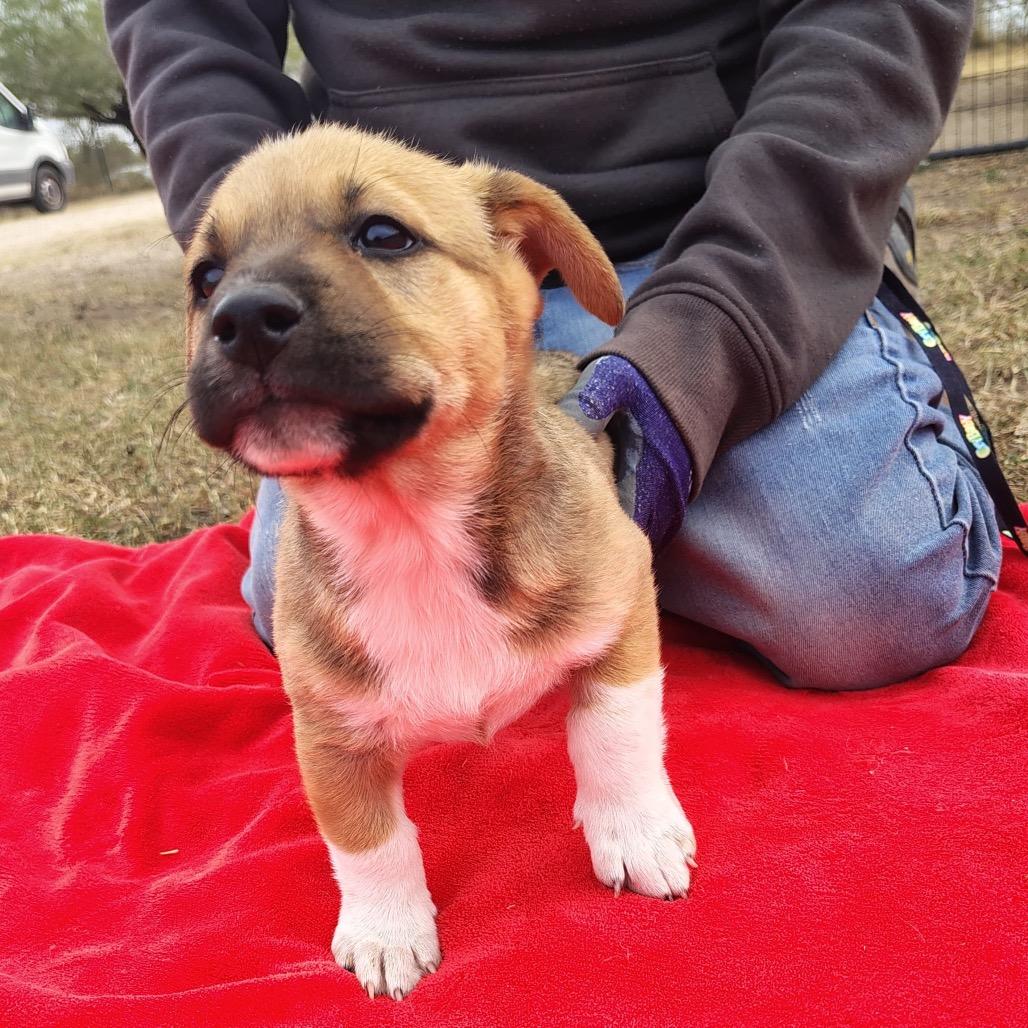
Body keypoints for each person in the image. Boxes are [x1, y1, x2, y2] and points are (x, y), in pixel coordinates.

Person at [105, 0, 1004, 689]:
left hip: (729, 226)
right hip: (427, 266)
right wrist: (269, 255)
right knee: (295, 604)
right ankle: (624, 554)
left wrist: (706, 352)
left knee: (865, 597)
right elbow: (186, 25)